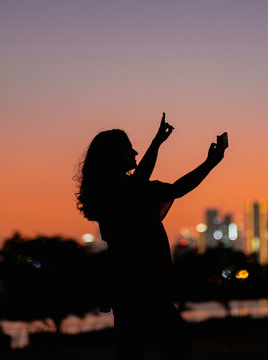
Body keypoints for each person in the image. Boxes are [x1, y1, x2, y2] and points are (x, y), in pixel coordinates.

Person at [75, 113, 227, 359]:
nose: (135, 152)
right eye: (129, 148)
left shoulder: (110, 193)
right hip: (147, 287)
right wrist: (211, 162)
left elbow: (140, 177)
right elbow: (178, 188)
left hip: (124, 289)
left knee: (131, 352)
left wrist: (157, 142)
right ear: (115, 156)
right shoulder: (132, 192)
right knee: (179, 348)